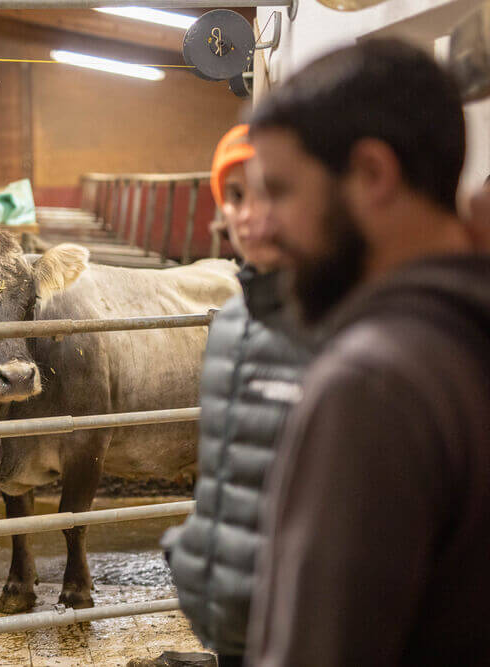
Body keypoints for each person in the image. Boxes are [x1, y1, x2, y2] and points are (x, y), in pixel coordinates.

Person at [245, 38, 490, 666]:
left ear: (374, 174)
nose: (262, 226)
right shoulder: (466, 340)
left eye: (280, 189)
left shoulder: (373, 384)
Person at [164, 126, 311, 667]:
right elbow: (223, 469)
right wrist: (195, 558)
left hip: (305, 621)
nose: (250, 215)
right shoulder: (227, 325)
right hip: (232, 621)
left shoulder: (340, 324)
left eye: (269, 192)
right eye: (236, 197)